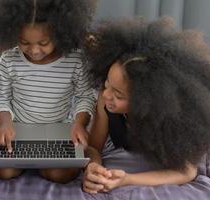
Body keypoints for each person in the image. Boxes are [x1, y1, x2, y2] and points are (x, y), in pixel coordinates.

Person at [82, 17, 210, 193]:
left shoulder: (170, 118)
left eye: (118, 94)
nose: (106, 95)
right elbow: (93, 147)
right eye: (106, 84)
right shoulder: (106, 102)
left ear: (146, 100)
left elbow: (187, 172)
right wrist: (94, 167)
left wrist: (127, 180)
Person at [0, 0, 96, 183]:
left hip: (59, 130)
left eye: (44, 43)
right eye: (24, 42)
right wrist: (5, 123)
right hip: (16, 131)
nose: (34, 50)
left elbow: (84, 96)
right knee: (3, 172)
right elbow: (0, 97)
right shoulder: (9, 57)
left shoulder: (75, 59)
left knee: (61, 175)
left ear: (60, 33)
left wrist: (79, 123)